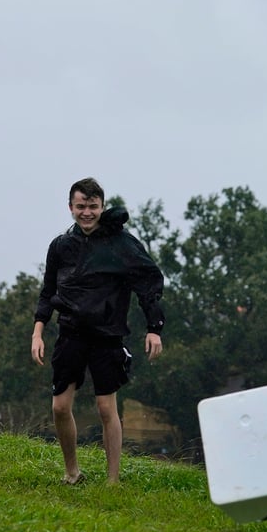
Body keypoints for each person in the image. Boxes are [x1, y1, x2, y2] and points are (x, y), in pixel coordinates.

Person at [31, 177, 165, 485]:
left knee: (107, 407)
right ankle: (71, 472)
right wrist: (38, 331)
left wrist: (154, 327)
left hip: (107, 335)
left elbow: (149, 281)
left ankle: (112, 481)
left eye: (93, 206)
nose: (87, 213)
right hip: (70, 333)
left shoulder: (122, 244)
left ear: (102, 207)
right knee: (60, 406)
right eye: (81, 206)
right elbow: (47, 290)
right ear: (70, 208)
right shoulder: (61, 246)